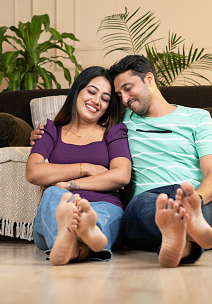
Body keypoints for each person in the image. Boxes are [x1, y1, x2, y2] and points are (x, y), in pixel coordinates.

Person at [31, 56, 212, 268]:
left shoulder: (199, 118)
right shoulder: (122, 122)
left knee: (207, 215)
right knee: (145, 206)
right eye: (119, 94)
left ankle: (181, 241)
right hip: (149, 199)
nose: (124, 99)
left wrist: (192, 201)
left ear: (149, 79)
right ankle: (181, 231)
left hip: (195, 197)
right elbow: (80, 128)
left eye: (128, 88)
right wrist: (37, 136)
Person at [26, 66, 132, 265]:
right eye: (91, 92)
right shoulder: (50, 130)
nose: (96, 101)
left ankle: (73, 244)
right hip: (57, 209)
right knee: (52, 195)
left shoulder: (114, 132)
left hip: (104, 205)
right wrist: (86, 167)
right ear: (77, 90)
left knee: (97, 217)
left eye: (105, 98)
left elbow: (121, 176)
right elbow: (33, 172)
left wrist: (68, 185)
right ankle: (81, 236)